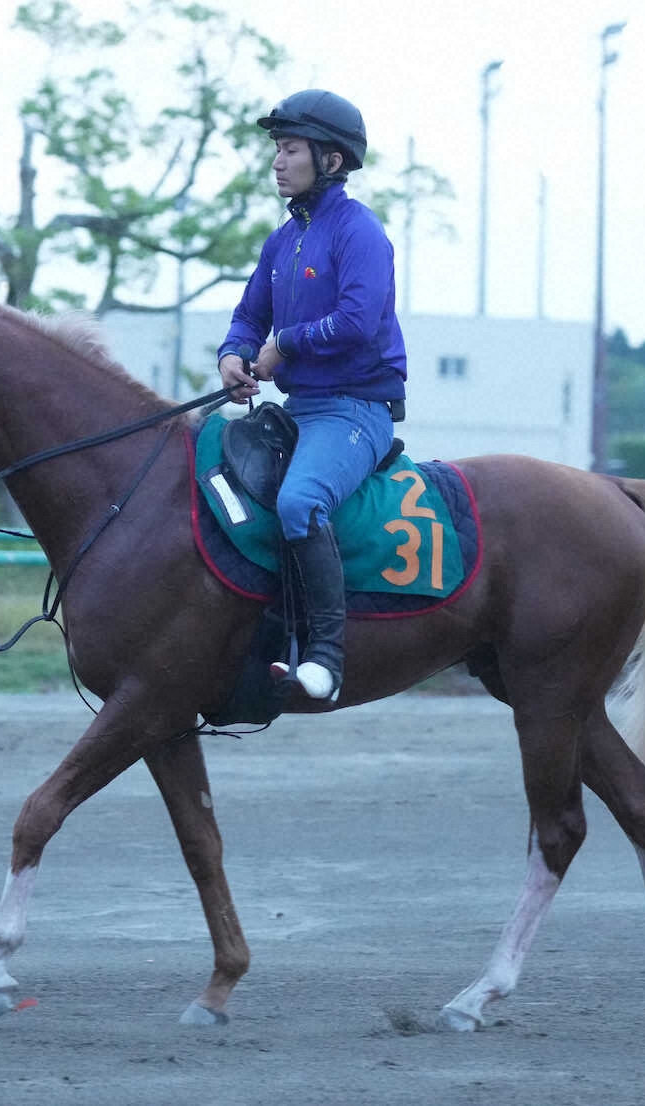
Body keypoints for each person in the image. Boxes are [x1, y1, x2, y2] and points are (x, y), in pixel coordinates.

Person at [217, 89, 407, 701]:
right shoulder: (282, 241)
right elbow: (249, 316)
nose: (277, 161)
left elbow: (355, 320)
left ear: (329, 160)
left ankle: (325, 657)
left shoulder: (361, 232)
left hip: (357, 411)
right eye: (276, 148)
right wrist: (233, 355)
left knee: (299, 501)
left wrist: (284, 346)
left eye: (289, 148)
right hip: (300, 412)